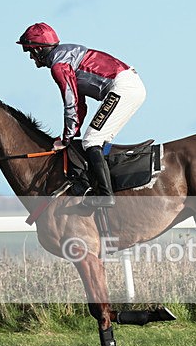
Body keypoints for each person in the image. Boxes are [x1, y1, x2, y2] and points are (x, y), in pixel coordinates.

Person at [17, 22, 146, 208]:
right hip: (129, 85)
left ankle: (106, 196)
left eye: (29, 51)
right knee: (96, 140)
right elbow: (80, 105)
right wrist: (70, 135)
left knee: (91, 141)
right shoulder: (67, 55)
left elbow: (70, 103)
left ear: (38, 49)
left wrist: (66, 138)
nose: (30, 57)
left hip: (123, 88)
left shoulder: (59, 65)